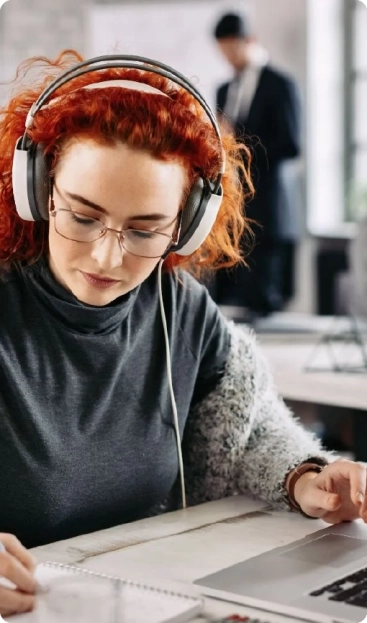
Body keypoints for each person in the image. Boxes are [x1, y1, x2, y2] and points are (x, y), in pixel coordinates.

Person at [0, 50, 366, 617]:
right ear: (37, 188)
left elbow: (246, 438)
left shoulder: (181, 309)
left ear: (186, 229)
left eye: (146, 230)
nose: (107, 254)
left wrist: (306, 478)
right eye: (81, 214)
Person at [213, 12, 301, 315]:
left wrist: (240, 141)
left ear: (249, 41)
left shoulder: (280, 85)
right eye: (223, 51)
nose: (229, 58)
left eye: (232, 50)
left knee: (265, 302)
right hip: (235, 211)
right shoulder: (224, 89)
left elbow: (291, 144)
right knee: (231, 301)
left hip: (270, 210)